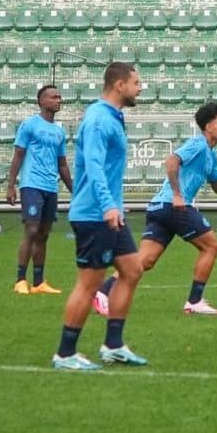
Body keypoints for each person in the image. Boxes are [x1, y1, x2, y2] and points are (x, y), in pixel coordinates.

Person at [99, 101, 217, 317]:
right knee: (211, 247)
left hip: (159, 207)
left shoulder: (210, 155)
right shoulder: (198, 144)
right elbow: (172, 161)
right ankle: (194, 301)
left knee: (145, 260)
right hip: (173, 206)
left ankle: (102, 292)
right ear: (208, 127)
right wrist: (177, 195)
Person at [52, 63, 148, 372]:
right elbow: (93, 166)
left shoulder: (113, 117)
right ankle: (65, 353)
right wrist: (108, 205)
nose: (140, 88)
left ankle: (114, 346)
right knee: (89, 284)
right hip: (95, 214)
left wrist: (115, 206)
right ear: (119, 85)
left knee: (132, 270)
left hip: (109, 213)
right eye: (136, 83)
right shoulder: (97, 119)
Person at [6, 85, 72, 294]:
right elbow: (18, 155)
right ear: (42, 101)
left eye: (59, 97)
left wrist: (75, 190)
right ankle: (20, 280)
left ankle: (38, 282)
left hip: (50, 186)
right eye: (54, 97)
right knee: (32, 230)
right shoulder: (29, 125)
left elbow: (62, 164)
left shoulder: (59, 131)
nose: (58, 100)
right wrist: (11, 185)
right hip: (32, 184)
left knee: (43, 233)